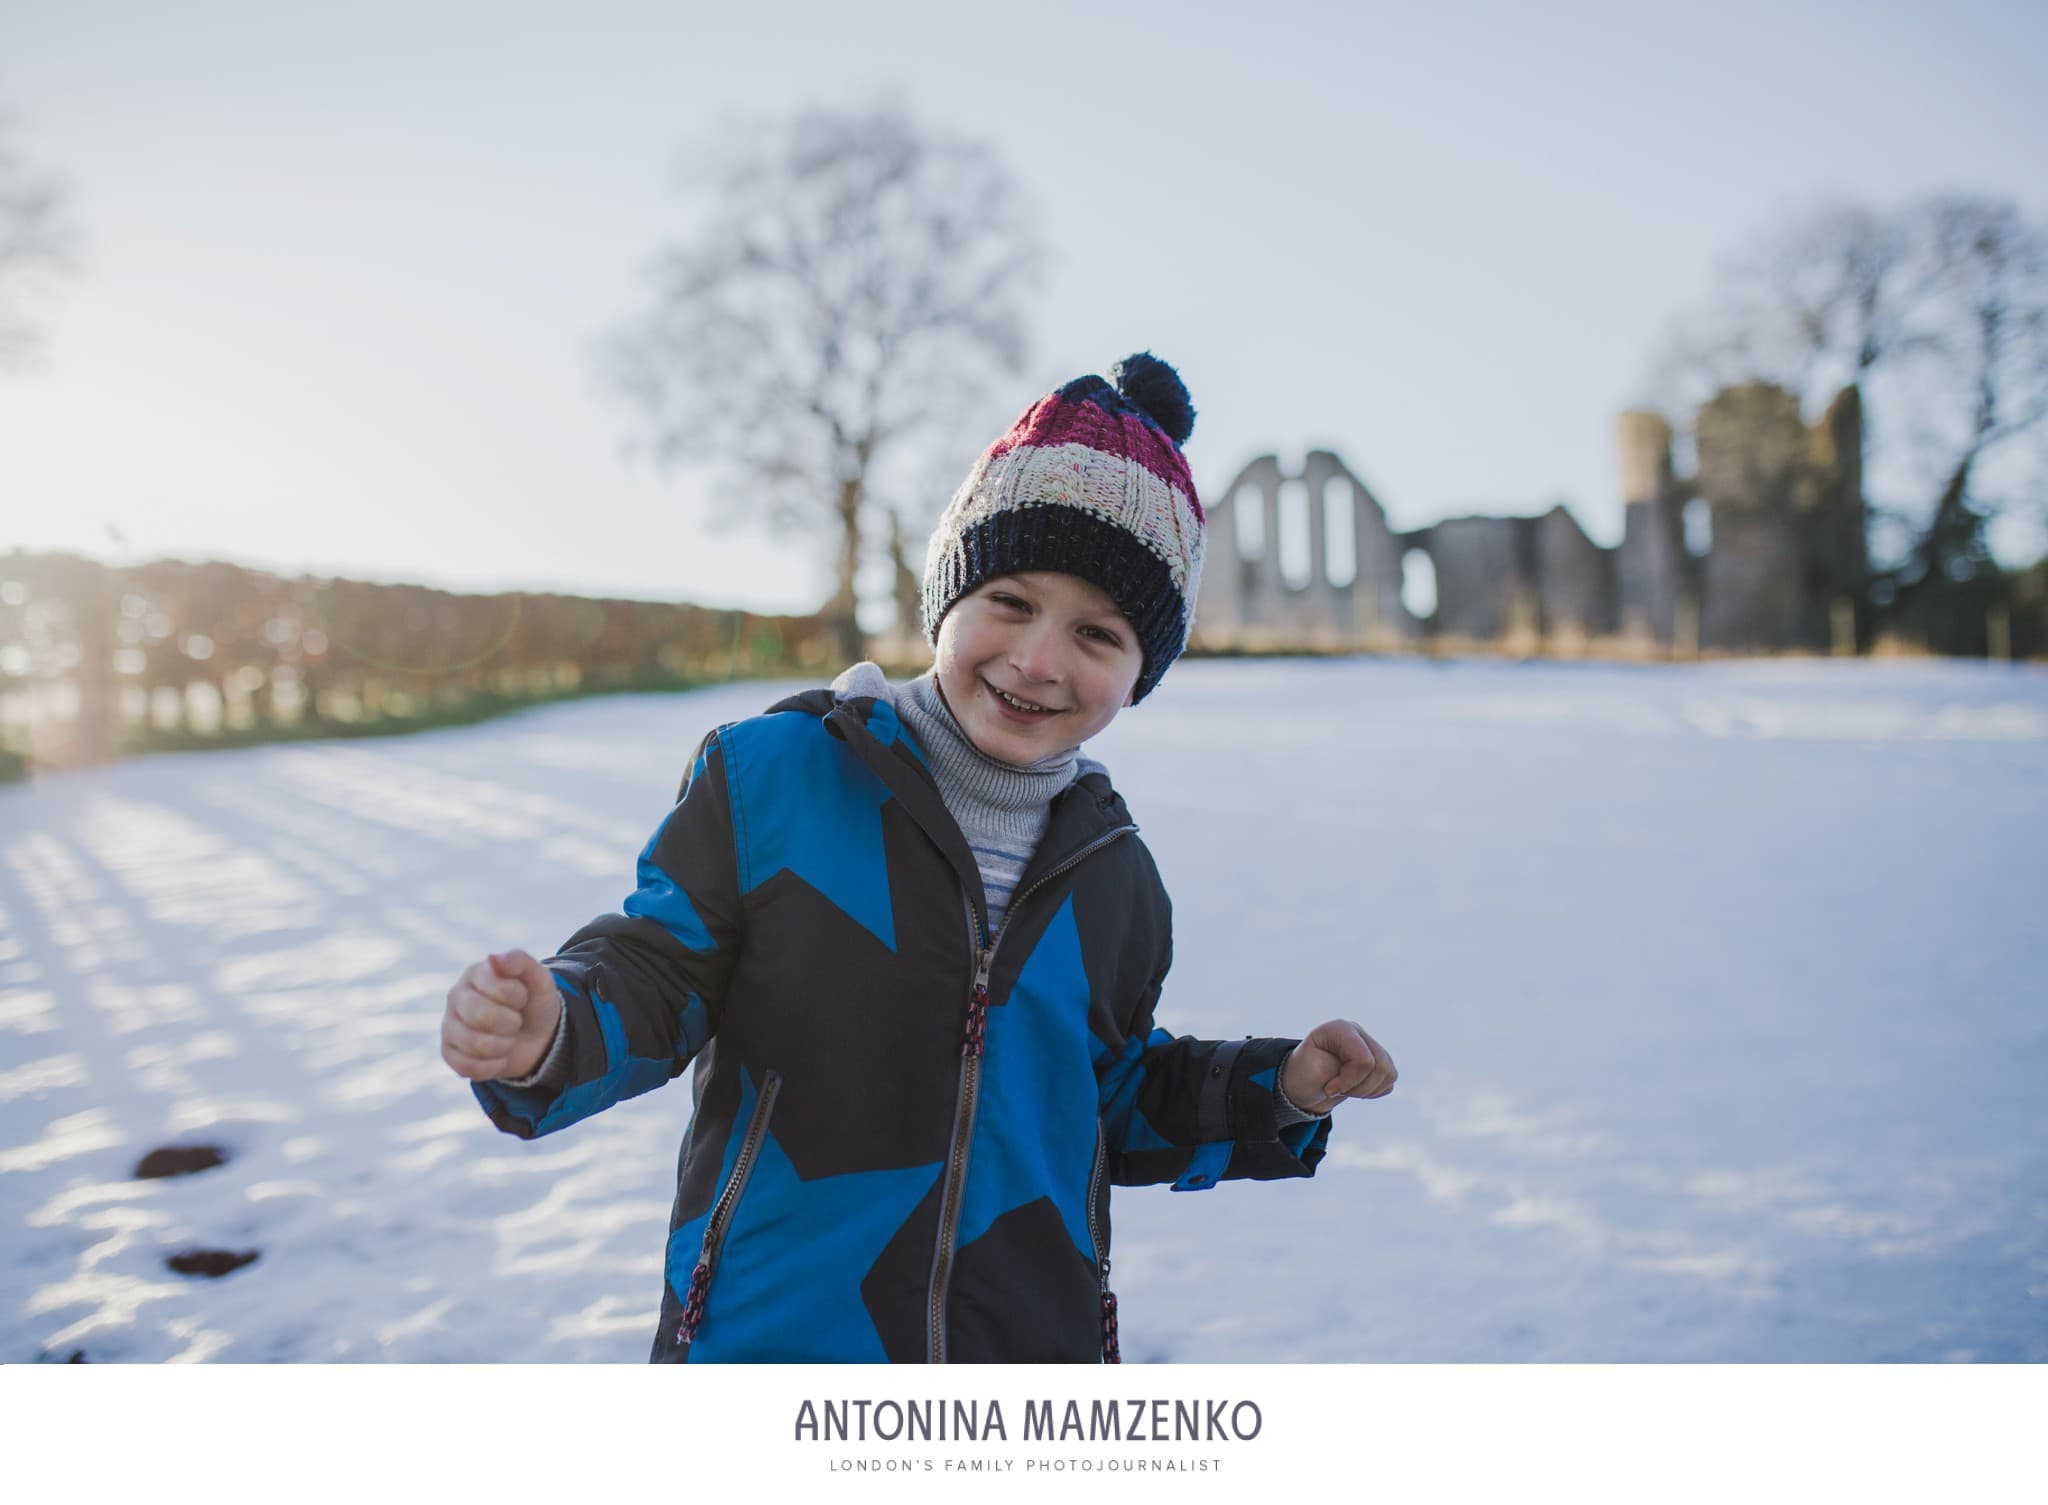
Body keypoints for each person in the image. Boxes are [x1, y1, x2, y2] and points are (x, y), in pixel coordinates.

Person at [440, 353, 1397, 1362]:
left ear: (1140, 671)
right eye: (1011, 601)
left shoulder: (1117, 875)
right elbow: (659, 973)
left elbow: (1107, 1099)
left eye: (1098, 632)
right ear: (947, 594)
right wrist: (552, 1025)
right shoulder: (776, 777)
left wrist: (1277, 1087)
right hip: (778, 1345)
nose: (1037, 659)